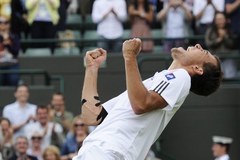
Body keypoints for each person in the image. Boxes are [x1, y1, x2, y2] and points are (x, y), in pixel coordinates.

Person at [72, 38, 222, 160]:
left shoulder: (181, 77)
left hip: (110, 152)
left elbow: (141, 104)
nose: (197, 45)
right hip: (93, 151)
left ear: (197, 69)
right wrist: (91, 69)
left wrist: (130, 57)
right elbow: (92, 116)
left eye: (204, 51)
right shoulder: (151, 84)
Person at [205, 12, 236, 79]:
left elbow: (233, 44)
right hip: (215, 58)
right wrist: (218, 40)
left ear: (225, 20)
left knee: (231, 77)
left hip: (228, 57)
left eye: (221, 19)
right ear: (215, 20)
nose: (220, 21)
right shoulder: (211, 30)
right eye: (218, 19)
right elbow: (208, 44)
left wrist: (224, 36)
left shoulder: (230, 29)